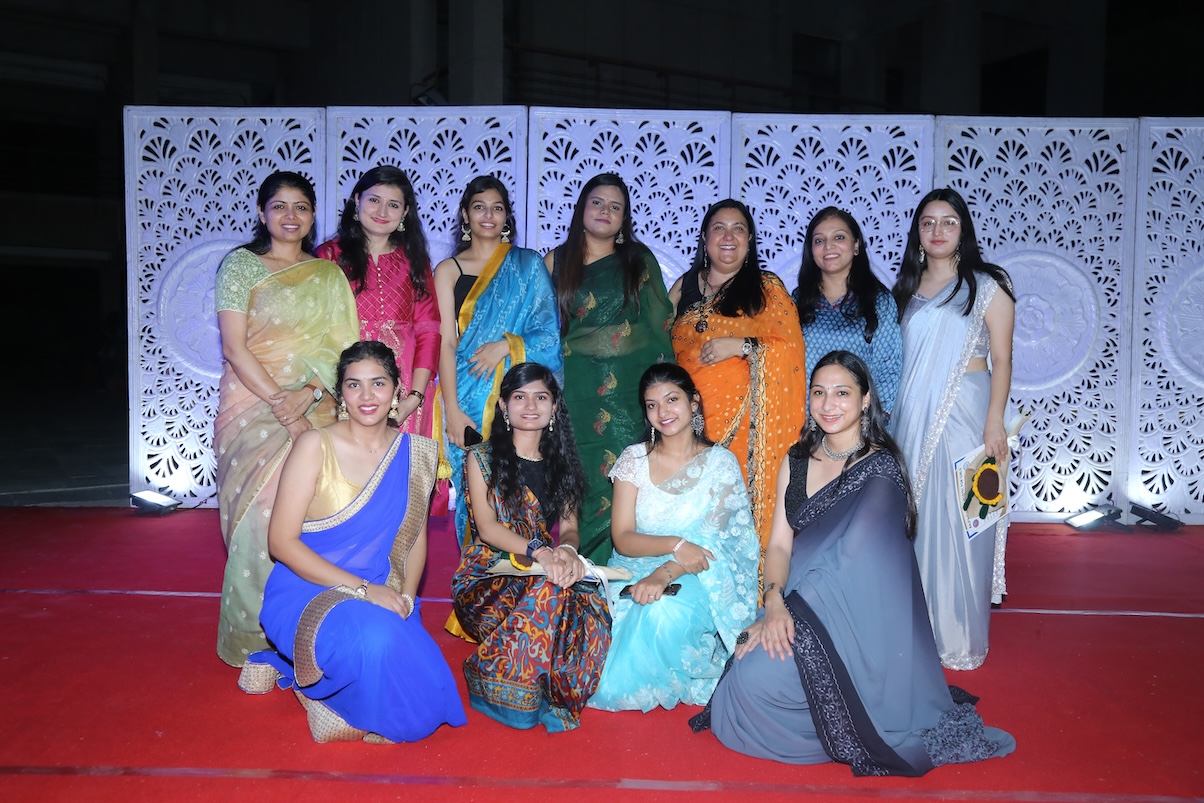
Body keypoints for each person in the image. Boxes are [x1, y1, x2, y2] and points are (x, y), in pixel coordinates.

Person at [693, 351, 1016, 775]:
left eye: (842, 393)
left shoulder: (880, 469)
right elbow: (779, 547)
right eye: (819, 393)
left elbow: (849, 564)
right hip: (799, 599)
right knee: (741, 681)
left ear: (865, 400)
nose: (828, 404)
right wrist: (772, 603)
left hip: (858, 620)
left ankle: (850, 717)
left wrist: (785, 613)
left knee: (757, 683)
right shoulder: (796, 460)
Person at [237, 341, 467, 743]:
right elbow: (282, 544)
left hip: (383, 590)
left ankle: (301, 675)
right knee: (378, 644)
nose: (366, 395)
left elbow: (413, 540)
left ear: (397, 389)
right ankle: (317, 691)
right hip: (308, 588)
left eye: (378, 383)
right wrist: (363, 590)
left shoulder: (416, 454)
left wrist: (406, 599)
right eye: (353, 384)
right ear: (341, 393)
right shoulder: (314, 445)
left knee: (431, 697)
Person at [213, 171, 359, 666]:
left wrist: (310, 393)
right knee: (259, 520)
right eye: (279, 206)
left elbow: (343, 350)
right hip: (251, 408)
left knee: (313, 516)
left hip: (316, 402)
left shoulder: (327, 275)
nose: (290, 216)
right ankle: (257, 642)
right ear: (262, 213)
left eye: (301, 207)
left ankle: (308, 632)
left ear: (313, 216)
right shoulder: (241, 265)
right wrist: (283, 405)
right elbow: (235, 347)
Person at [891, 188, 1016, 670]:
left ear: (963, 230)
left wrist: (994, 421)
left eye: (948, 221)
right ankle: (917, 633)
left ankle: (960, 635)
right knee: (917, 519)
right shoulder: (904, 289)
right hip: (911, 418)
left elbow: (1002, 358)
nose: (937, 230)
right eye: (928, 222)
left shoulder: (988, 285)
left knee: (966, 518)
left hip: (968, 415)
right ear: (918, 233)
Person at [588, 364, 758, 712]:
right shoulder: (634, 460)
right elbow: (623, 537)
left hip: (696, 574)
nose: (662, 412)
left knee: (662, 610)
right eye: (652, 405)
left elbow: (716, 544)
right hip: (632, 567)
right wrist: (674, 545)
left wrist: (665, 572)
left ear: (693, 402)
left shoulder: (720, 464)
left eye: (671, 399)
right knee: (620, 617)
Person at [451, 362, 610, 732]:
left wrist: (567, 551)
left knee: (585, 595)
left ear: (554, 406)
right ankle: (504, 691)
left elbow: (569, 528)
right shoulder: (481, 457)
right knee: (550, 588)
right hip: (487, 575)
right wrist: (540, 550)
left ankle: (555, 682)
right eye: (519, 397)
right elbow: (488, 529)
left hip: (539, 565)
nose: (530, 405)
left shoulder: (562, 462)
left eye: (541, 397)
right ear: (503, 406)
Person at [544, 173, 675, 564]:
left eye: (615, 207)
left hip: (626, 398)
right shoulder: (555, 261)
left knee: (622, 479)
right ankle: (581, 573)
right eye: (598, 202)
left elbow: (655, 328)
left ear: (623, 219)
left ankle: (621, 576)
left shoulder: (638, 261)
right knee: (578, 479)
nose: (605, 211)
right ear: (582, 209)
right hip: (573, 393)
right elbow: (541, 329)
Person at [669, 199, 807, 554]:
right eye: (719, 228)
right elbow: (660, 350)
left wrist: (742, 345)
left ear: (749, 240)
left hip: (748, 435)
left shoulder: (767, 289)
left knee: (734, 526)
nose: (728, 236)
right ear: (704, 238)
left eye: (738, 229)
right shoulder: (683, 288)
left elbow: (790, 350)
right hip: (686, 428)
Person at [433, 176, 561, 545]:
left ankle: (527, 563)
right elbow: (446, 344)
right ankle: (478, 573)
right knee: (474, 493)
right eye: (479, 207)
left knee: (519, 484)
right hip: (467, 396)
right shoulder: (448, 270)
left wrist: (505, 346)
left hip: (519, 399)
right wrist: (452, 409)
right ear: (465, 215)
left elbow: (549, 334)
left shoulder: (527, 265)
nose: (488, 215)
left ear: (506, 216)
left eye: (497, 208)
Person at [316, 165, 441, 440]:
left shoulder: (414, 261)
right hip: (345, 383)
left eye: (393, 205)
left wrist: (414, 397)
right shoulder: (328, 257)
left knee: (401, 463)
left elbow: (429, 331)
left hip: (405, 388)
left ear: (405, 212)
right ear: (356, 200)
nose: (382, 212)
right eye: (374, 200)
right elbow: (315, 333)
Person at [793, 207, 902, 415]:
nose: (828, 246)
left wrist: (875, 422)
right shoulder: (797, 301)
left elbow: (888, 369)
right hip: (805, 419)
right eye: (819, 240)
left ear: (856, 245)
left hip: (857, 422)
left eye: (839, 237)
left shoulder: (879, 301)